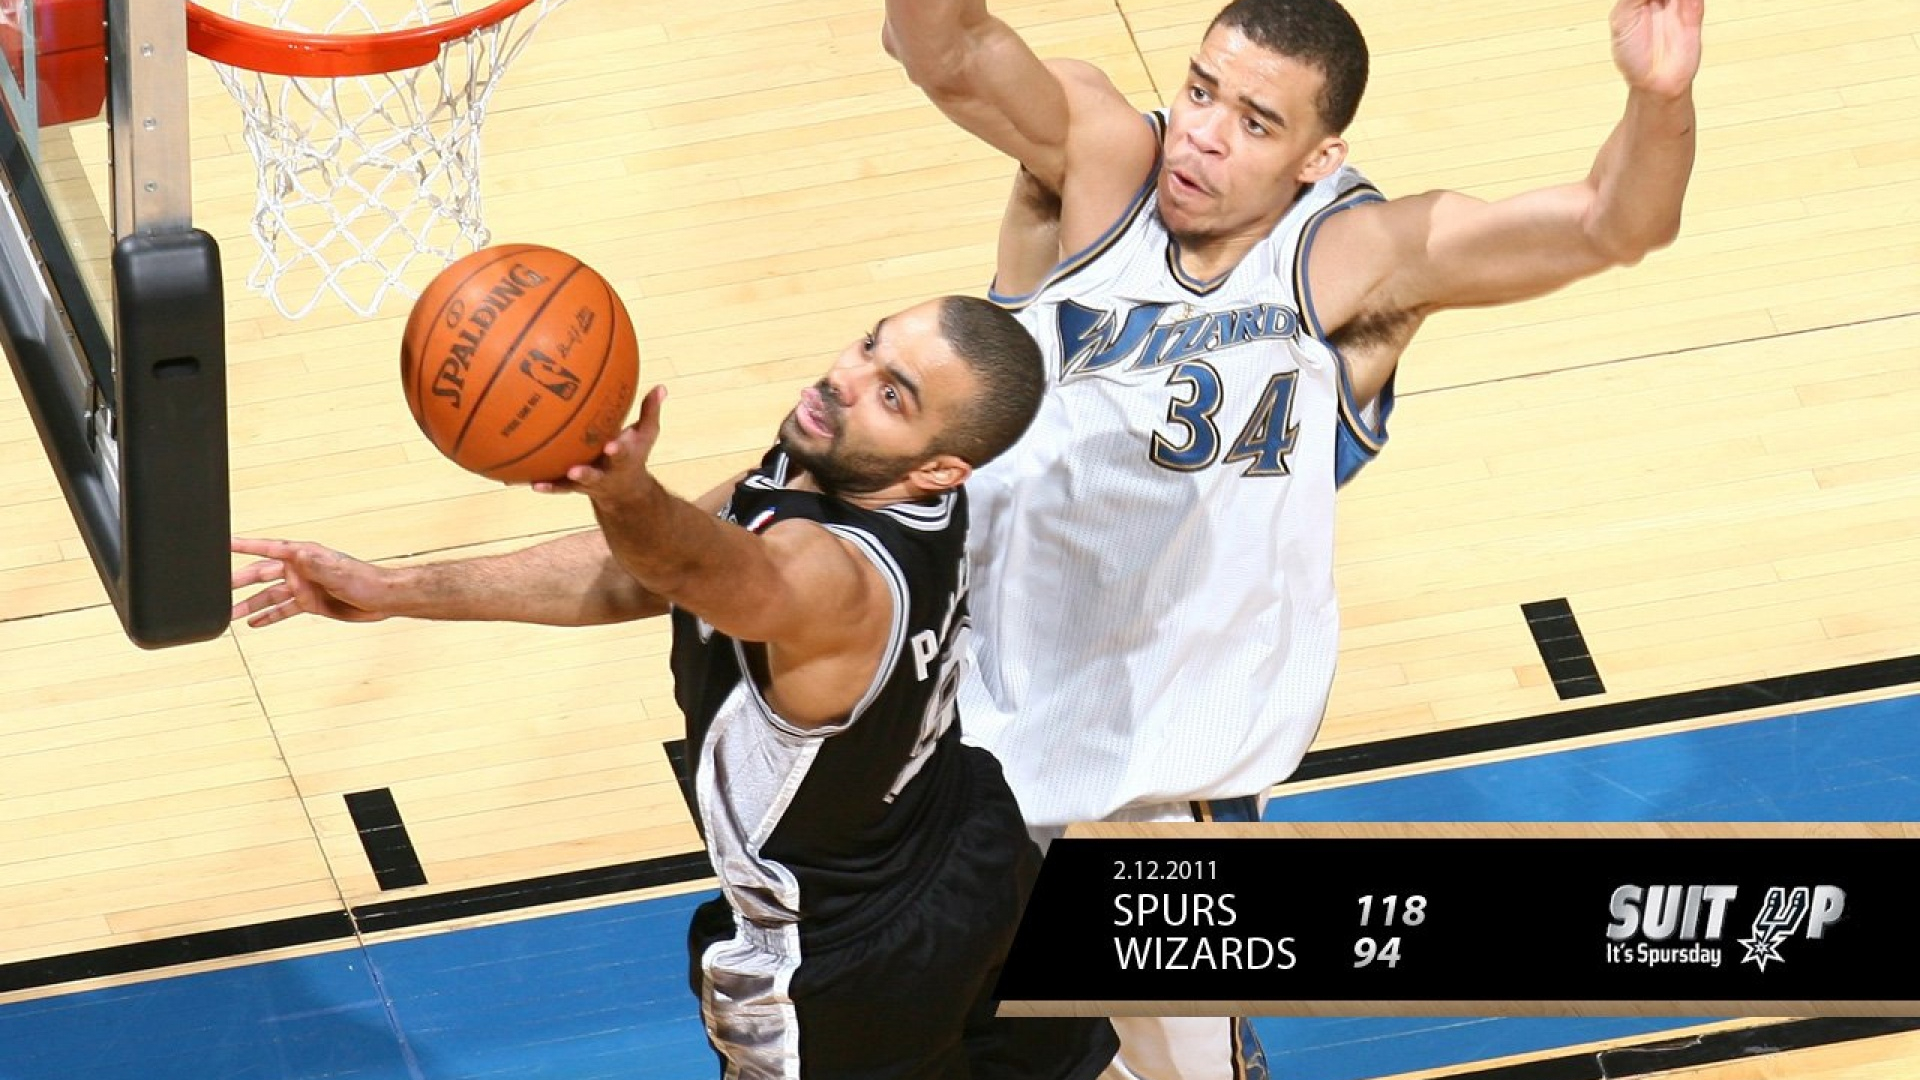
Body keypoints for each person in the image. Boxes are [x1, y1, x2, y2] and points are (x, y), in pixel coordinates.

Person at [880, 0, 1703, 1075]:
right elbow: (943, 47)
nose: (1204, 134)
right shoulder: (1098, 162)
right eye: (1201, 90)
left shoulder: (1354, 261)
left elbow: (1610, 222)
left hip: (1152, 797)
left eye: (1256, 122)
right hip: (952, 746)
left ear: (1320, 158)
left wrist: (1659, 96)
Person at [228, 295, 1119, 1080]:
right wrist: (398, 590)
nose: (846, 380)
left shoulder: (835, 579)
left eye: (893, 395)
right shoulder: (853, 474)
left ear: (940, 467)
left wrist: (620, 488)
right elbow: (654, 569)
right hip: (976, 843)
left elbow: (704, 567)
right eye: (868, 345)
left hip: (845, 950)